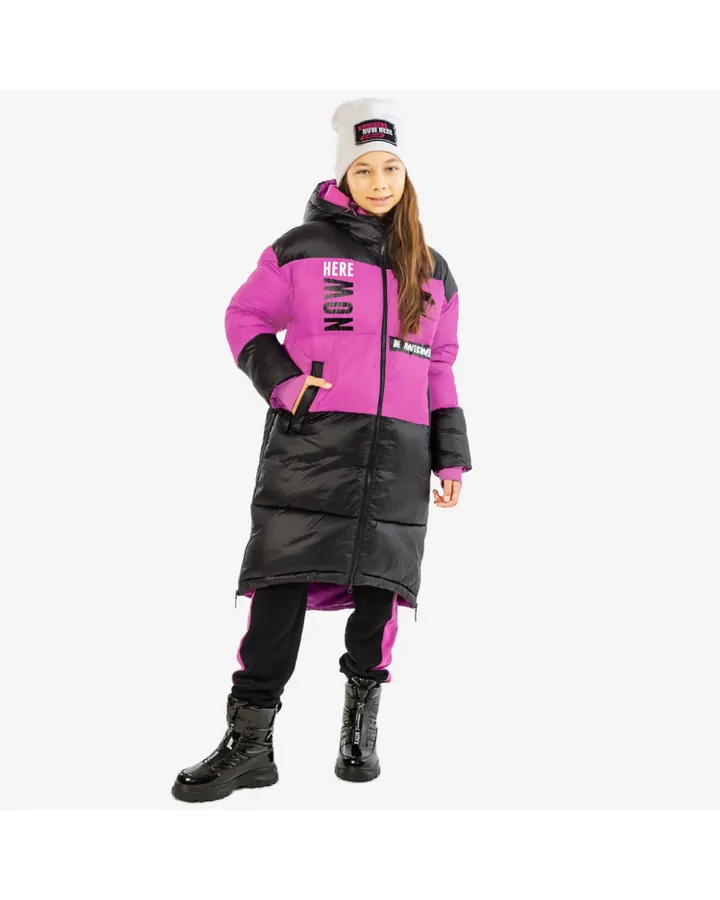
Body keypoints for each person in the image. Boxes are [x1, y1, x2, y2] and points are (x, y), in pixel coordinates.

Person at [171, 97, 472, 803]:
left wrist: (450, 454)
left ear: (406, 175)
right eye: (363, 169)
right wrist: (284, 383)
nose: (378, 181)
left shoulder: (432, 269)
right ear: (343, 174)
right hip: (313, 446)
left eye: (390, 168)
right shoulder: (301, 249)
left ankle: (358, 733)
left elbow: (439, 365)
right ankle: (250, 745)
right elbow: (245, 316)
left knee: (380, 595)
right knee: (281, 585)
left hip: (400, 456)